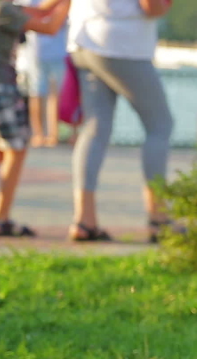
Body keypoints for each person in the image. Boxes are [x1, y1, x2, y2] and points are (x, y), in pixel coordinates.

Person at [64, 0, 174, 242]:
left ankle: (84, 220)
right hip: (121, 44)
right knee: (160, 124)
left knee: (94, 128)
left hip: (82, 40)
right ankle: (159, 217)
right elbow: (151, 7)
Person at [0, 0, 69, 237]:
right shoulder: (2, 8)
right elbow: (49, 27)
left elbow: (42, 11)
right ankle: (1, 219)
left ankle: (1, 217)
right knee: (16, 149)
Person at [17, 0, 67, 148]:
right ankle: (38, 134)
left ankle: (53, 134)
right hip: (36, 54)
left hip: (59, 52)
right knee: (37, 93)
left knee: (55, 95)